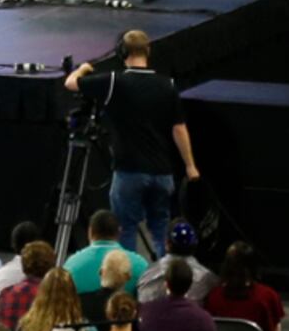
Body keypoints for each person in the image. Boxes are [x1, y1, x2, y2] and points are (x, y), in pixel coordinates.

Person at [65, 30, 195, 261]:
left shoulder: (115, 81)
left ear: (122, 53)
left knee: (125, 231)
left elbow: (71, 83)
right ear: (148, 51)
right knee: (161, 231)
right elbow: (179, 128)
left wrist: (83, 68)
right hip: (162, 172)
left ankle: (128, 286)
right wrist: (190, 166)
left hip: (129, 171)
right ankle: (167, 281)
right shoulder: (168, 84)